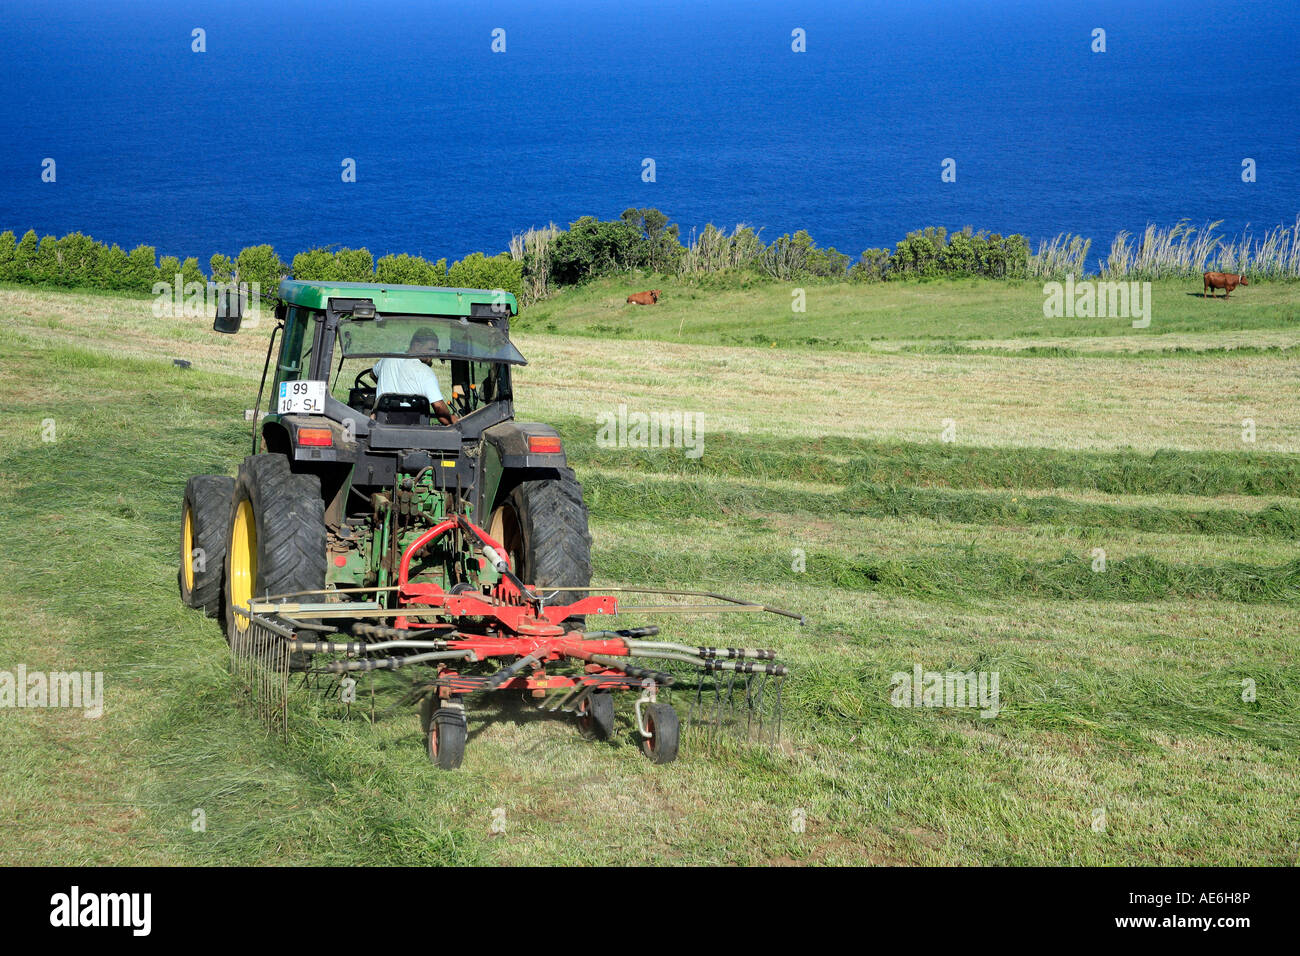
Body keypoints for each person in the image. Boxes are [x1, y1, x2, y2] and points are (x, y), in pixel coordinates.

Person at [373, 328, 458, 425]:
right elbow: (439, 408)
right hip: (412, 429)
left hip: (380, 424)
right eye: (430, 349)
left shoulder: (388, 359)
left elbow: (372, 374)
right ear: (416, 345)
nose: (434, 354)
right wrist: (452, 419)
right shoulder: (425, 371)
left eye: (436, 350)